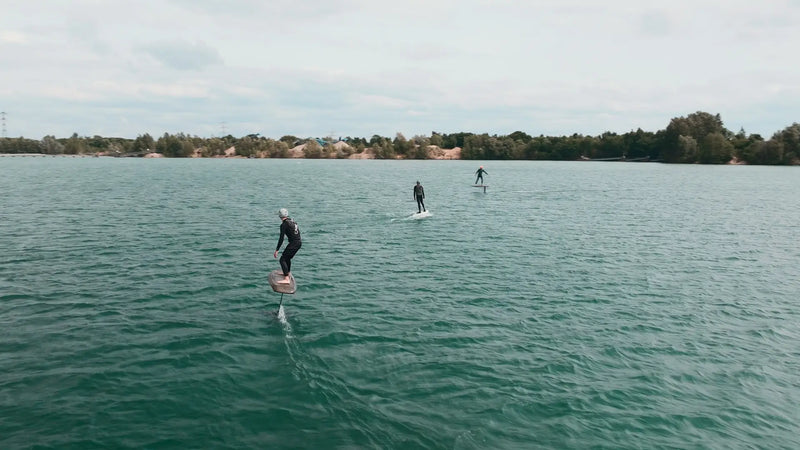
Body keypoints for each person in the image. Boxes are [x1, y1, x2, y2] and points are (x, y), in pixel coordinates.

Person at [273, 208, 301, 284]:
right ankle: (287, 273)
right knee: (287, 258)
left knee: (282, 259)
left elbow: (281, 238)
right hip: (298, 242)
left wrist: (277, 250)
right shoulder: (292, 221)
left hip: (294, 243)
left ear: (280, 216)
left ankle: (286, 279)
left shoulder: (284, 224)